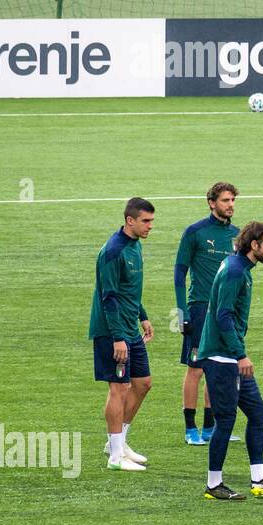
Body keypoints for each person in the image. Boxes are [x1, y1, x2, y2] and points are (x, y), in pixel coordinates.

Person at [196, 221, 263, 501]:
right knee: (225, 420)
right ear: (254, 246)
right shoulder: (236, 272)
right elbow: (223, 315)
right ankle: (214, 484)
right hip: (222, 357)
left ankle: (259, 478)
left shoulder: (238, 266)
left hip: (229, 355)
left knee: (257, 412)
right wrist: (240, 354)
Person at [89, 198, 156, 472]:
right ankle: (115, 457)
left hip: (130, 326)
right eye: (146, 221)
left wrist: (143, 315)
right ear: (130, 220)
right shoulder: (113, 252)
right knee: (119, 388)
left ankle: (118, 442)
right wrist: (118, 337)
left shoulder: (134, 245)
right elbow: (110, 297)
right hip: (111, 331)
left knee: (143, 383)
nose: (150, 226)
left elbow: (129, 289)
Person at [175, 182, 239, 446]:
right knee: (196, 369)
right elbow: (180, 272)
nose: (231, 205)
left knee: (219, 367)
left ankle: (210, 427)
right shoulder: (195, 232)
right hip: (200, 307)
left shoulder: (237, 235)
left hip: (225, 311)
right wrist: (181, 312)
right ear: (212, 203)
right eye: (226, 200)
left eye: (233, 200)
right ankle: (190, 429)